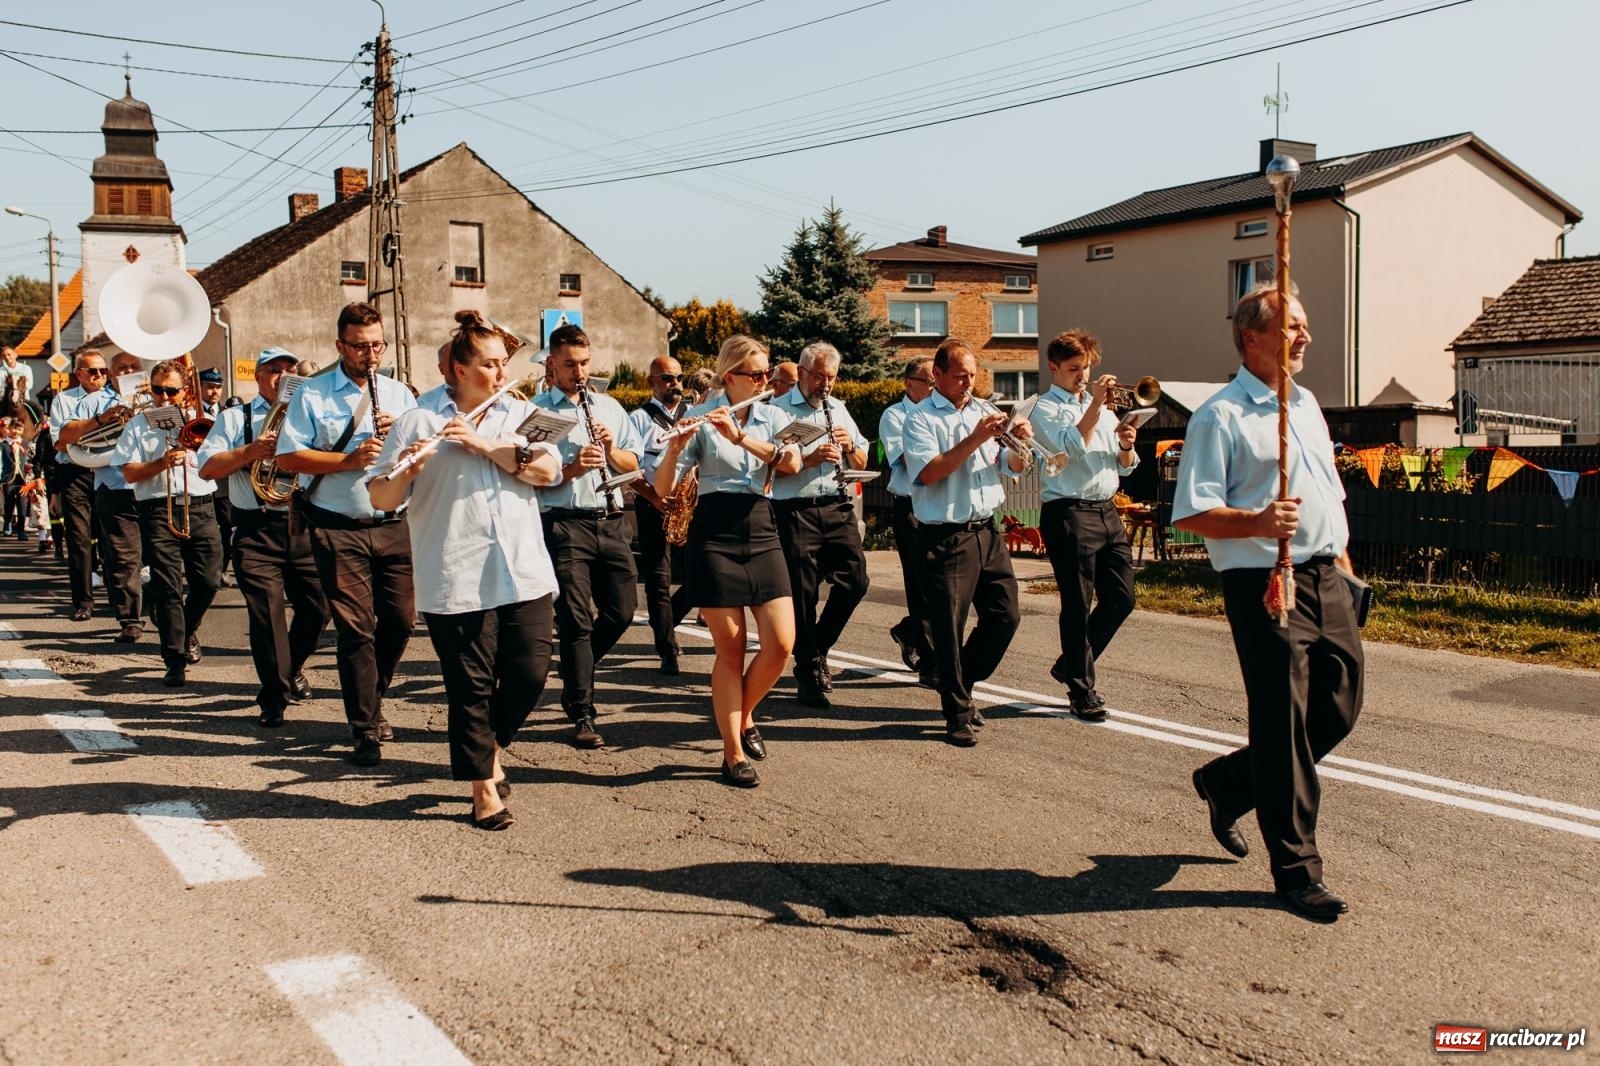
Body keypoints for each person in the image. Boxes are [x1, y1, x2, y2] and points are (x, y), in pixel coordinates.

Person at [1172, 285, 1363, 923]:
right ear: (1251, 338)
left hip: (1326, 578)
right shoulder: (1219, 416)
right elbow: (1193, 512)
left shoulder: (1305, 405)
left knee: (1338, 708)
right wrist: (1256, 521)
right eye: (1291, 327)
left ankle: (1227, 784)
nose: (1305, 336)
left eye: (1304, 325)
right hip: (1266, 582)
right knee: (1283, 725)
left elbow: (1329, 498)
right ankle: (1298, 871)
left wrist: (1346, 574)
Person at [368, 312, 563, 830]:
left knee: (530, 674)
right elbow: (380, 496)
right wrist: (407, 470)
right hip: (455, 571)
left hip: (523, 568)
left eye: (503, 363)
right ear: (459, 369)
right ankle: (483, 790)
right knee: (470, 687)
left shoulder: (523, 413)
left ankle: (488, 747)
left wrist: (483, 444)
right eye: (490, 364)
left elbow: (548, 470)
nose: (502, 373)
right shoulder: (417, 421)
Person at [274, 302, 418, 767]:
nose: (369, 355)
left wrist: (403, 441)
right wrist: (349, 461)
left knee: (401, 621)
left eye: (377, 345)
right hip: (337, 524)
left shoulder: (400, 394)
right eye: (359, 346)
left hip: (394, 522)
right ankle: (364, 727)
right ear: (340, 346)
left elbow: (423, 455)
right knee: (357, 629)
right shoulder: (312, 394)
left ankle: (372, 697)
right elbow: (288, 457)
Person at [655, 335, 800, 788]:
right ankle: (732, 751)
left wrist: (741, 438)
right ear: (730, 376)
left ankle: (743, 712)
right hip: (714, 534)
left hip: (761, 526)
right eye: (756, 374)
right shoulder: (702, 416)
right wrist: (675, 448)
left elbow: (792, 463)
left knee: (781, 644)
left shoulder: (775, 416)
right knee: (731, 650)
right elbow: (662, 487)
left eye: (767, 372)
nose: (765, 380)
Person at [902, 338, 1030, 747]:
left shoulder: (982, 411)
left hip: (987, 530)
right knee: (948, 629)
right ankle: (956, 712)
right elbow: (928, 473)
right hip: (946, 535)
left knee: (1005, 616)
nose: (968, 382)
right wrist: (975, 437)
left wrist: (1020, 444)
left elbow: (1008, 466)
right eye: (960, 376)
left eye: (973, 375)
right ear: (937, 376)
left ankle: (961, 681)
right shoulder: (920, 419)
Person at [197, 348, 330, 726]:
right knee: (268, 617)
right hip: (257, 529)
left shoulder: (312, 413)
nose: (284, 376)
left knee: (318, 609)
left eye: (291, 369)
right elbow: (207, 468)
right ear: (257, 376)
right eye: (275, 370)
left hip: (303, 523)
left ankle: (291, 668)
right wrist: (252, 450)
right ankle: (274, 697)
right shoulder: (234, 417)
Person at [531, 324, 642, 748]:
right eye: (569, 365)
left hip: (610, 518)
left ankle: (576, 667)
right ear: (552, 365)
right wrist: (574, 467)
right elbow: (530, 476)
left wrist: (611, 451)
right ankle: (582, 711)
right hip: (564, 522)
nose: (579, 373)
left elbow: (633, 465)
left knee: (622, 611)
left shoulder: (609, 407)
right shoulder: (538, 412)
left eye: (584, 363)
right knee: (575, 620)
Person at [1029, 329, 1139, 721]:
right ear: (1053, 367)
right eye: (1074, 368)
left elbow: (1124, 466)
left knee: (1122, 599)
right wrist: (1094, 405)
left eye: (1086, 368)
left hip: (1106, 509)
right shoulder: (1043, 409)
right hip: (1068, 511)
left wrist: (1126, 444)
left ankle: (1069, 664)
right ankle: (1081, 689)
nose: (1082, 375)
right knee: (1077, 602)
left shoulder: (1104, 410)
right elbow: (1071, 450)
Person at [107, 359, 224, 687]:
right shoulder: (137, 425)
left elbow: (220, 462)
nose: (164, 398)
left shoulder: (205, 422)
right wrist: (161, 462)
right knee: (168, 586)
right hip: (157, 509)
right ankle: (174, 659)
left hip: (201, 506)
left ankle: (187, 629)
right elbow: (129, 473)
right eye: (158, 391)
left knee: (209, 581)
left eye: (171, 391)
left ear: (185, 392)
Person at [770, 342, 870, 708]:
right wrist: (809, 460)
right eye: (818, 377)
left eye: (831, 378)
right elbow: (769, 468)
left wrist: (849, 447)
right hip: (795, 509)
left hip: (836, 505)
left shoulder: (838, 408)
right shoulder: (776, 411)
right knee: (803, 594)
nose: (825, 385)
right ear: (800, 373)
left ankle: (817, 650)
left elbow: (862, 458)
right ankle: (808, 672)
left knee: (855, 581)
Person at [54, 349, 147, 638]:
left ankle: (161, 606)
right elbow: (63, 437)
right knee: (116, 553)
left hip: (151, 483)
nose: (128, 372)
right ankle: (128, 618)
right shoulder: (91, 401)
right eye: (121, 368)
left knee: (159, 555)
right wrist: (102, 419)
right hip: (111, 483)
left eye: (134, 366)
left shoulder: (155, 396)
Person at [626, 354, 692, 674]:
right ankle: (667, 646)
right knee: (658, 577)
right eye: (667, 378)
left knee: (703, 573)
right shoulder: (638, 419)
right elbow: (629, 470)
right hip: (653, 504)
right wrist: (653, 497)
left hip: (689, 505)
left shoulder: (693, 415)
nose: (674, 384)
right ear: (652, 382)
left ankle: (666, 619)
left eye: (679, 378)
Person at [878, 356, 938, 687]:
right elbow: (904, 458)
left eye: (936, 382)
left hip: (940, 505)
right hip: (911, 506)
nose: (933, 388)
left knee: (942, 585)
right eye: (928, 382)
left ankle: (909, 629)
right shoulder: (895, 415)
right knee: (920, 584)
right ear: (909, 383)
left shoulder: (941, 413)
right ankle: (930, 663)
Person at [47, 351, 112, 621]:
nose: (99, 376)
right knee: (79, 538)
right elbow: (60, 442)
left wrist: (80, 435)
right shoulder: (64, 400)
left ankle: (119, 597)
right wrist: (95, 431)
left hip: (109, 470)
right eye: (93, 371)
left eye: (103, 371)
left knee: (112, 536)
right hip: (75, 472)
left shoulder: (115, 399)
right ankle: (83, 601)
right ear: (79, 374)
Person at [197, 367, 234, 581]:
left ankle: (221, 570)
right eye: (210, 387)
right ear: (200, 387)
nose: (215, 392)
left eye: (218, 387)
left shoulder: (227, 414)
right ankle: (205, 572)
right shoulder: (192, 412)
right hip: (198, 480)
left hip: (222, 482)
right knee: (203, 530)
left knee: (226, 528)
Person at [2, 418, 27, 539]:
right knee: (9, 502)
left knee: (22, 504)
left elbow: (30, 459)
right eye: (14, 428)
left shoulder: (25, 443)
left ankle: (21, 530)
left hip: (23, 478)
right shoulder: (3, 444)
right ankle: (7, 523)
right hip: (9, 478)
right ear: (9, 428)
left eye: (19, 429)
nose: (16, 431)